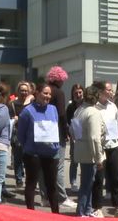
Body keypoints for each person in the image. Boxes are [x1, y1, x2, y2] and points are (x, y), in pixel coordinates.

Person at [17, 83, 61, 213]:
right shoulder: (27, 111)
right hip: (33, 154)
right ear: (37, 94)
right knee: (31, 183)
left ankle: (56, 213)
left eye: (49, 94)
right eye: (45, 93)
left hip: (50, 154)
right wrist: (30, 147)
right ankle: (31, 212)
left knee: (52, 185)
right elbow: (21, 135)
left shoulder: (53, 109)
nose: (48, 96)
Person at [91, 81, 118, 217]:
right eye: (108, 90)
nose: (111, 92)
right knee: (99, 178)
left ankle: (117, 205)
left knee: (116, 176)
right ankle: (97, 207)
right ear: (100, 91)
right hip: (100, 147)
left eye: (112, 90)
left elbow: (116, 123)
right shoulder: (94, 107)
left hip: (113, 144)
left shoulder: (113, 106)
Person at [46, 66, 76, 208]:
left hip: (44, 132)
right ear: (60, 79)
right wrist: (66, 132)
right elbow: (62, 114)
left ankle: (45, 196)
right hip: (57, 132)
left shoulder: (44, 90)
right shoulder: (59, 93)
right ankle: (62, 196)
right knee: (59, 166)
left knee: (45, 165)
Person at [73, 85, 106, 217]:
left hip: (80, 149)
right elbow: (94, 138)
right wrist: (98, 158)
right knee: (87, 184)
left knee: (87, 182)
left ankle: (87, 209)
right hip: (90, 152)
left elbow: (73, 131)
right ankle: (82, 211)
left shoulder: (79, 110)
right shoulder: (93, 112)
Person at [8, 81, 33, 188]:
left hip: (30, 134)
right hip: (17, 133)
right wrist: (14, 118)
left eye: (26, 91)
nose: (24, 92)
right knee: (18, 157)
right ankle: (19, 179)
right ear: (18, 91)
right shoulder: (12, 104)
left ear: (29, 92)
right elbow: (8, 118)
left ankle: (29, 179)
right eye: (22, 90)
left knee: (28, 159)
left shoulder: (32, 104)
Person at [66, 84, 84, 192]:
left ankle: (83, 182)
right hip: (74, 137)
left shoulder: (87, 105)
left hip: (86, 137)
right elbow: (68, 122)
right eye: (76, 93)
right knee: (74, 160)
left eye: (80, 92)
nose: (78, 95)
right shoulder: (70, 107)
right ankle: (73, 182)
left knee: (84, 161)